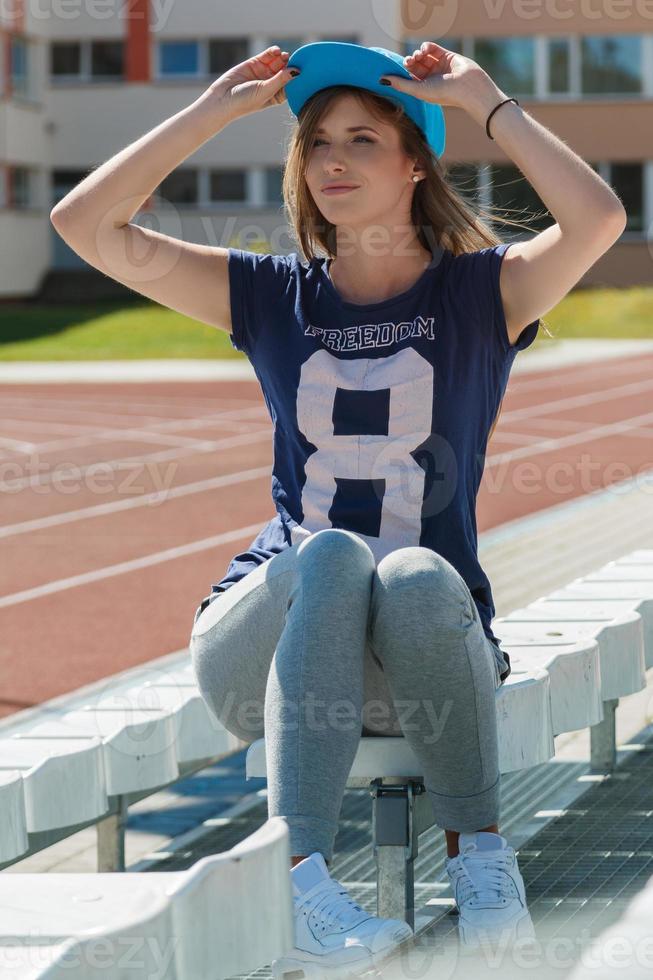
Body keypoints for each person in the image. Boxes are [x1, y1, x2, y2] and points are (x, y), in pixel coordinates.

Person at [50, 37, 627, 980]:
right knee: (331, 555)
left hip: (422, 658)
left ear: (413, 164)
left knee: (405, 568)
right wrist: (211, 113)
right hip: (265, 658)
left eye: (362, 139)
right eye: (317, 142)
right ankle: (295, 882)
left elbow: (596, 219)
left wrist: (487, 102)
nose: (331, 160)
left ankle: (482, 868)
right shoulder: (269, 294)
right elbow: (85, 224)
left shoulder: (482, 296)